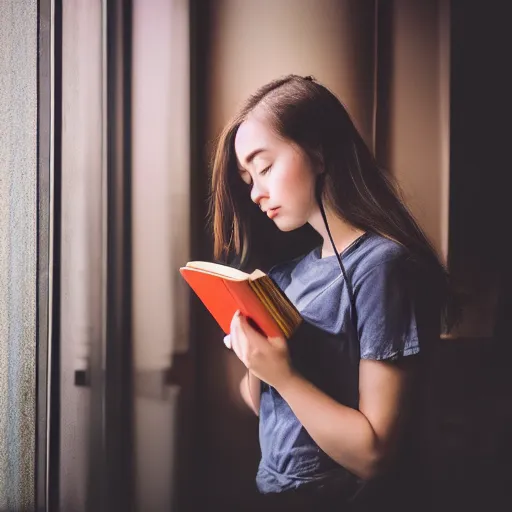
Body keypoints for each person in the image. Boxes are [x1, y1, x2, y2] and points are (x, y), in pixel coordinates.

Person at [208, 75, 457, 511]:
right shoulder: (284, 275)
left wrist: (283, 374)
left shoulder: (380, 267)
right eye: (248, 177)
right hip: (271, 495)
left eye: (264, 167)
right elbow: (263, 404)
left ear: (319, 150)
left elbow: (373, 455)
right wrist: (255, 357)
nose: (255, 192)